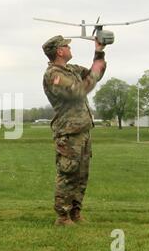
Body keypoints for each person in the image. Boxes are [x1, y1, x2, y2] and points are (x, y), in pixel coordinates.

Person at [42, 35, 107, 226]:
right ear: (59, 51)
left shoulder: (72, 69)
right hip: (68, 133)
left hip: (83, 130)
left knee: (81, 175)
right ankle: (62, 217)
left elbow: (96, 74)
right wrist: (92, 76)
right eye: (66, 46)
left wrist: (99, 51)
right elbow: (78, 90)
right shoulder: (53, 75)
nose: (70, 48)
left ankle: (75, 214)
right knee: (68, 174)